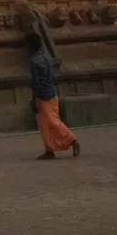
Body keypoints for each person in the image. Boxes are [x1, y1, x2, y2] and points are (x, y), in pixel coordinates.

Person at [27, 31, 80, 160]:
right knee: (46, 124)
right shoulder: (48, 58)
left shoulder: (34, 61)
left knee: (52, 122)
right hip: (52, 93)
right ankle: (49, 150)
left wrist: (34, 100)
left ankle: (72, 140)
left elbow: (36, 83)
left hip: (42, 96)